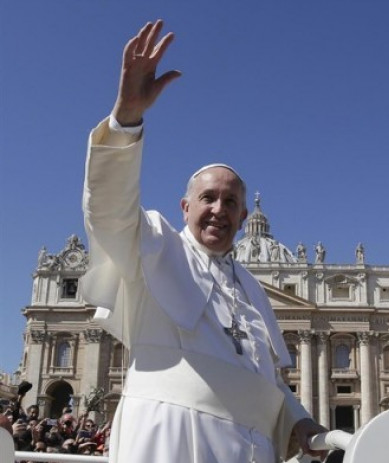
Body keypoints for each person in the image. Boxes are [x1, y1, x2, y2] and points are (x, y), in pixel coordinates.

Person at [81, 19, 326, 462]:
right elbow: (109, 209)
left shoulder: (254, 290)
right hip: (168, 439)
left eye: (230, 202)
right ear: (185, 208)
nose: (219, 210)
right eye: (208, 198)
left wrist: (299, 419)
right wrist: (126, 119)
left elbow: (263, 379)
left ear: (244, 216)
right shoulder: (154, 248)